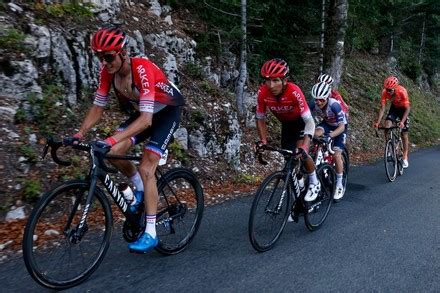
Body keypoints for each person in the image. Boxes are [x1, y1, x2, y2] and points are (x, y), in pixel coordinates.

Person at [72, 27, 185, 253]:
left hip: (167, 111)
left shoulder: (141, 70)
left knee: (147, 165)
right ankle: (140, 187)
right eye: (100, 57)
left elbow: (145, 121)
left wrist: (111, 139)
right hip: (146, 111)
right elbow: (97, 107)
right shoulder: (107, 73)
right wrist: (80, 133)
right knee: (113, 152)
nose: (105, 62)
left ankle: (151, 232)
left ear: (122, 52)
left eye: (109, 56)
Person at [256, 58, 321, 201]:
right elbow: (260, 118)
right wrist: (263, 140)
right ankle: (299, 190)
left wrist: (305, 145)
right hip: (286, 125)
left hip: (302, 123)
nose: (271, 85)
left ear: (285, 80)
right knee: (289, 162)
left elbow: (309, 121)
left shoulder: (294, 91)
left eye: (275, 80)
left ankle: (314, 181)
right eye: (267, 80)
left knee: (300, 154)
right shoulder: (263, 93)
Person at [310, 81, 348, 200]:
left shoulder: (335, 105)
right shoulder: (313, 103)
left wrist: (330, 136)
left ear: (327, 97)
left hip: (340, 127)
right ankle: (320, 154)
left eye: (322, 99)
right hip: (327, 123)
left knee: (337, 155)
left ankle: (339, 184)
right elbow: (305, 118)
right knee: (314, 135)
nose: (318, 102)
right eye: (316, 99)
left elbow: (341, 127)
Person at [373, 76, 410, 168]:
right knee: (387, 126)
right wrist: (377, 122)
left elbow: (408, 108)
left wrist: (402, 121)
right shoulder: (385, 92)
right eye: (387, 89)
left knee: (404, 135)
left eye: (390, 90)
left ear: (395, 88)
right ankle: (389, 148)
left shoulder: (402, 91)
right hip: (394, 109)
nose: (388, 91)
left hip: (403, 110)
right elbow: (382, 108)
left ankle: (405, 156)